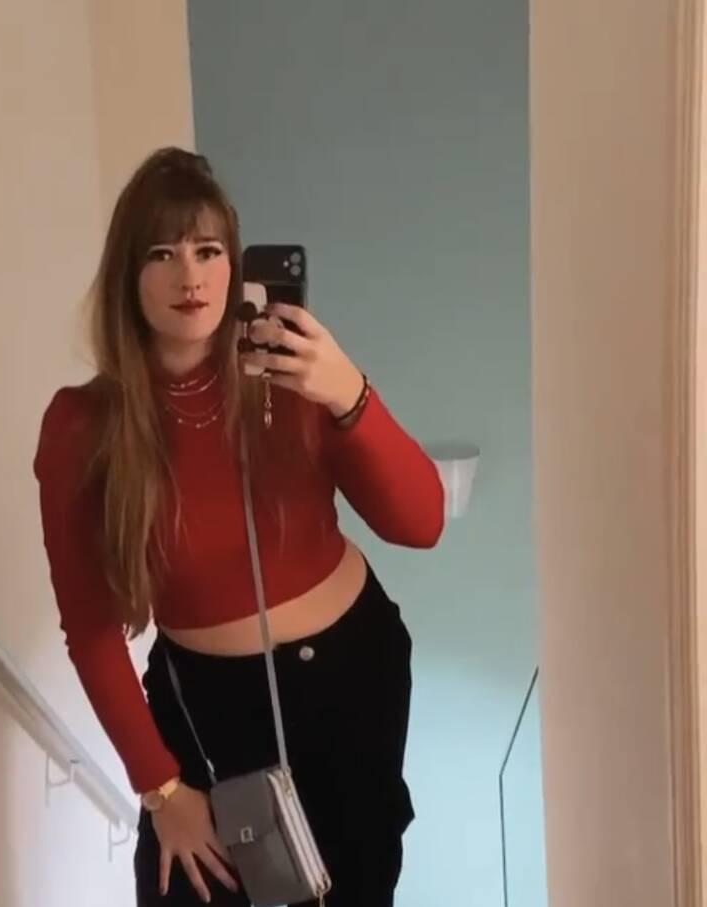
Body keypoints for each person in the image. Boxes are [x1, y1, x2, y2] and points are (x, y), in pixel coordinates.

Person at [33, 147, 444, 907]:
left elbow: (421, 523)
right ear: (128, 275)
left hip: (350, 677)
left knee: (352, 889)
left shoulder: (291, 375)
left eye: (208, 250)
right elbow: (89, 630)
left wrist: (348, 393)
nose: (189, 276)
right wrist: (162, 788)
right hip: (205, 705)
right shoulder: (83, 427)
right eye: (161, 253)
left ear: (234, 263)